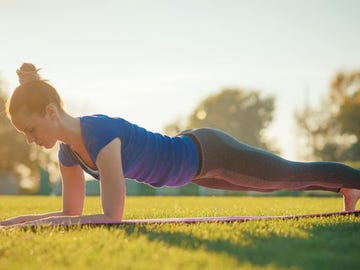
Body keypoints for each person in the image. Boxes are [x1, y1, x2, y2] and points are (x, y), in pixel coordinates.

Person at [1, 63, 360, 227]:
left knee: (285, 177)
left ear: (51, 111)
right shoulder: (68, 152)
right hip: (196, 172)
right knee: (278, 182)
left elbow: (112, 216)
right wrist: (14, 222)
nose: (32, 141)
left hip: (210, 152)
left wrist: (37, 225)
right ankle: (347, 188)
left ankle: (353, 180)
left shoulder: (101, 136)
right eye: (25, 136)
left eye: (31, 129)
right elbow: (71, 215)